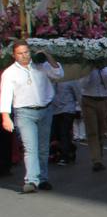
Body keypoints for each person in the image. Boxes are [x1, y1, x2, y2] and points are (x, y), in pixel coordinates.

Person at [1, 40, 64, 192]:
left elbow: (59, 73)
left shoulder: (41, 66)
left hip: (45, 110)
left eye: (26, 52)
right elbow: (6, 95)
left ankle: (43, 178)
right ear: (14, 55)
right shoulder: (10, 73)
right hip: (24, 112)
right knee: (30, 147)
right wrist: (5, 116)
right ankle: (31, 180)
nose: (24, 56)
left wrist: (48, 56)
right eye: (20, 53)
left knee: (43, 147)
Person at [80, 62, 107, 172]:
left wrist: (103, 69)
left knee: (102, 131)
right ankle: (96, 160)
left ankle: (99, 154)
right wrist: (90, 70)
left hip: (103, 100)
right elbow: (82, 84)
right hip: (89, 99)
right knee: (92, 132)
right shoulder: (86, 67)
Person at [50, 78, 80, 165]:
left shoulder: (71, 79)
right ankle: (70, 148)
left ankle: (64, 156)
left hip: (68, 109)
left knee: (64, 132)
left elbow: (78, 94)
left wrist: (79, 108)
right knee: (55, 134)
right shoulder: (52, 80)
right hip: (54, 110)